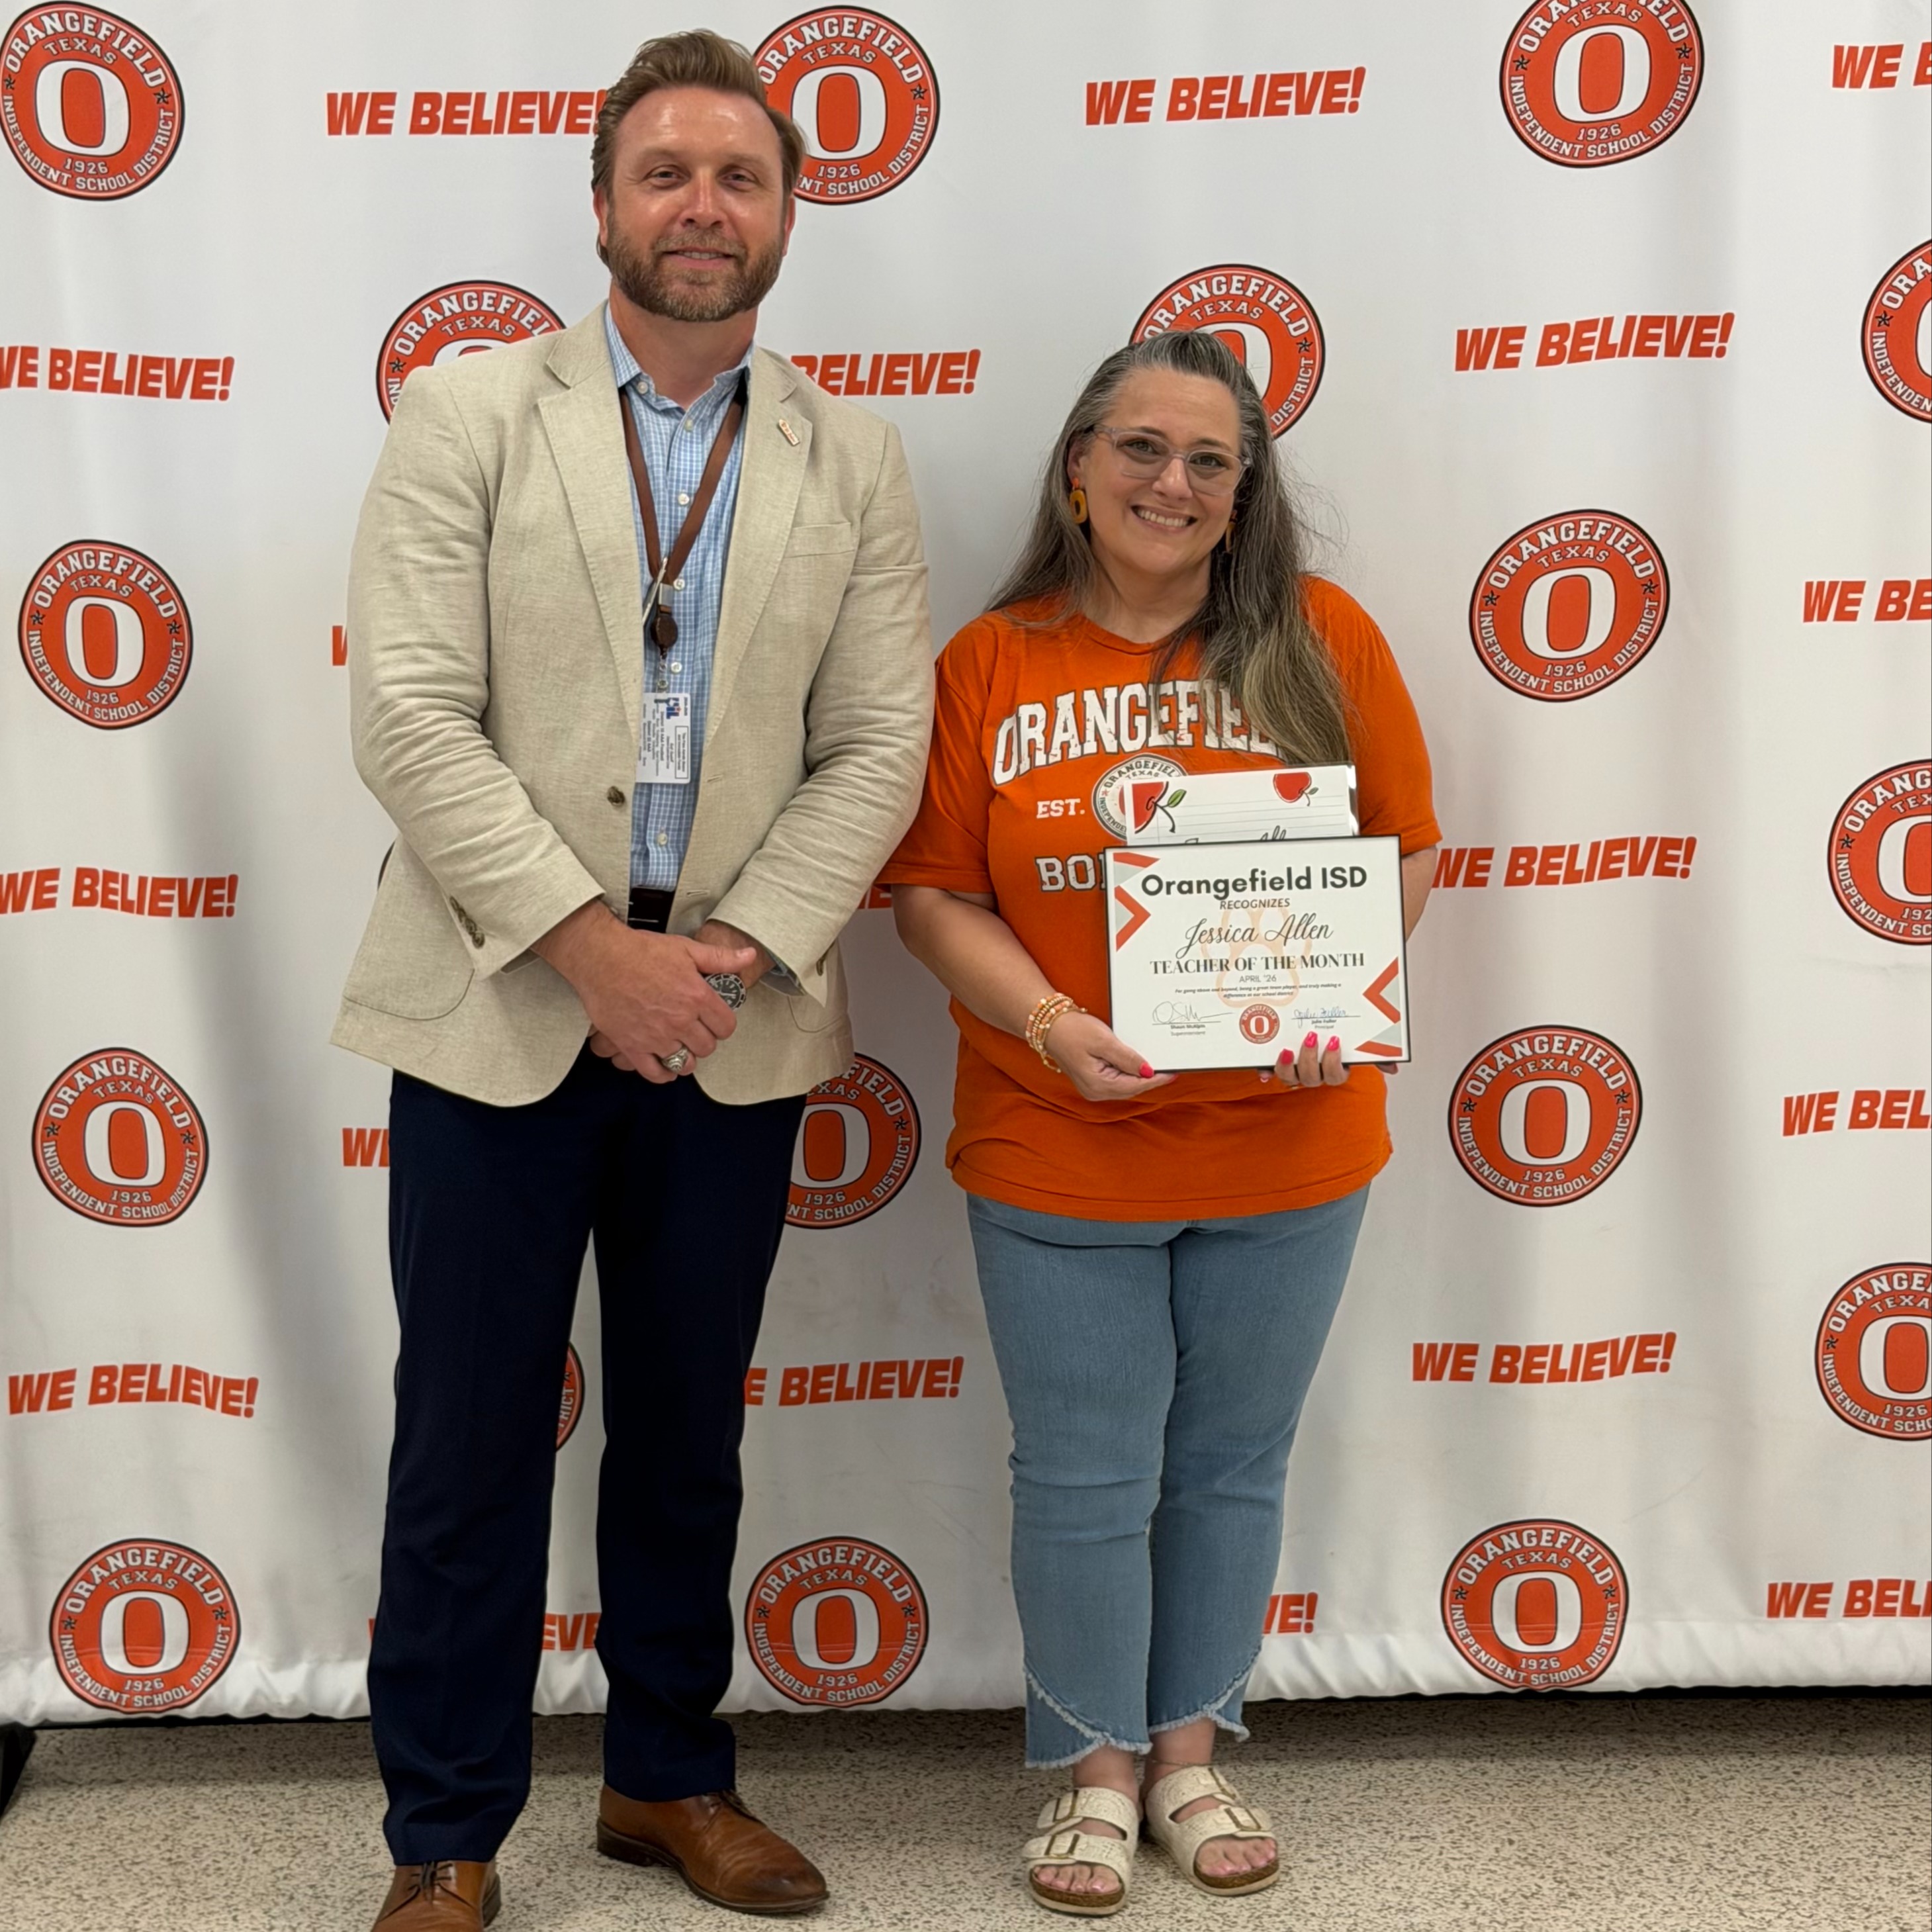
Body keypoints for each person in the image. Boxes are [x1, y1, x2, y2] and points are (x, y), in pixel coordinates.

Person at [334, 30, 932, 1930]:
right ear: (601, 207)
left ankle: (669, 1783)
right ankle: (445, 1830)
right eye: (665, 173)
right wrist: (593, 952)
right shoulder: (466, 415)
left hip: (727, 1027)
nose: (702, 206)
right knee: (470, 1436)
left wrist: (719, 960)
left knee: (689, 1430)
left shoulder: (856, 455)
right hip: (503, 999)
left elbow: (879, 747)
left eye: (738, 177)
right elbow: (410, 716)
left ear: (786, 214)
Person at [883, 330, 1438, 1915]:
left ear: (1242, 486)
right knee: (1079, 1472)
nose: (1169, 482)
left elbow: (1401, 846)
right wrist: (1051, 1023)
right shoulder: (990, 663)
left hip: (1291, 1144)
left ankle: (1187, 1753)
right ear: (1075, 466)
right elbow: (929, 895)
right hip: (1059, 1143)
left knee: (1228, 1466)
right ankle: (1092, 1767)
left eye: (1206, 457)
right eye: (1138, 447)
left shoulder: (1320, 639)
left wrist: (1336, 994)